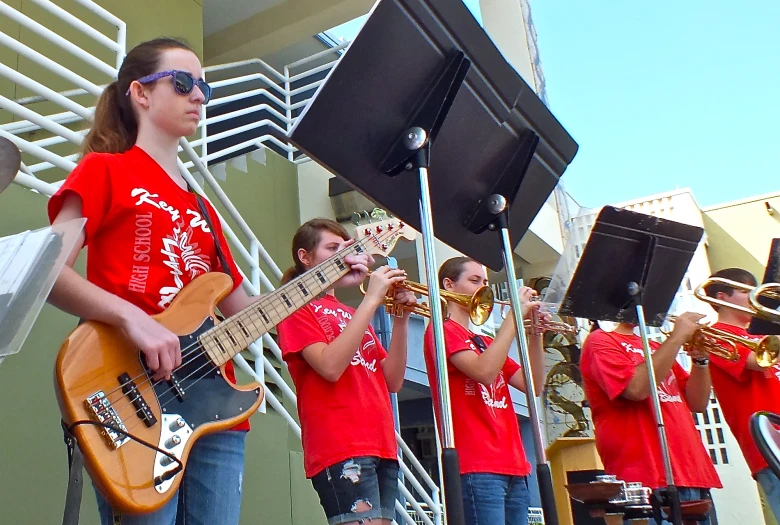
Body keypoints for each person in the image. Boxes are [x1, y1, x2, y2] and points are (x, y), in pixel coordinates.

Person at [46, 38, 371, 525]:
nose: (199, 95)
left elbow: (245, 309)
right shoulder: (105, 170)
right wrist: (134, 318)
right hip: (132, 392)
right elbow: (46, 272)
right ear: (140, 93)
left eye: (205, 86)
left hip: (216, 410)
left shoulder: (204, 208)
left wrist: (324, 277)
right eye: (183, 83)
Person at [275, 218, 414, 525]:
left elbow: (392, 380)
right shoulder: (294, 306)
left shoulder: (351, 313)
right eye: (332, 248)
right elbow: (329, 367)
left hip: (380, 441)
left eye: (345, 249)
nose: (343, 256)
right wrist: (372, 299)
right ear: (305, 256)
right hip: (341, 442)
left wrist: (401, 319)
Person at [422, 256, 546, 525]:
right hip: (477, 465)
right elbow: (484, 373)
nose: (483, 288)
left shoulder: (485, 341)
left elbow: (533, 385)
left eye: (485, 282)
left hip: (514, 465)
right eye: (474, 280)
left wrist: (535, 334)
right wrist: (513, 319)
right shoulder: (441, 330)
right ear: (449, 285)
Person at [580, 315, 723, 524]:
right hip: (647, 480)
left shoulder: (656, 346)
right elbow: (636, 389)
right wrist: (676, 338)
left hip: (693, 472)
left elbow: (697, 403)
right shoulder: (600, 340)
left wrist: (701, 361)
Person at [703, 267, 780, 521]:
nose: (755, 298)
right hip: (768, 444)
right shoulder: (713, 336)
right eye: (746, 292)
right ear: (722, 297)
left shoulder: (762, 333)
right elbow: (757, 362)